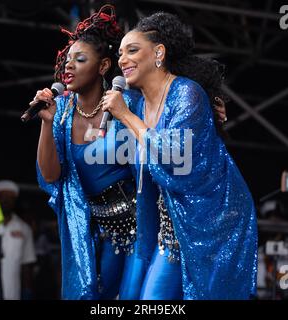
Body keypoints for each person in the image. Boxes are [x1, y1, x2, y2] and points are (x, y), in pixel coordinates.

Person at [34, 5, 227, 300]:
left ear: (102, 66)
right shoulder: (60, 112)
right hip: (90, 228)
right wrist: (46, 124)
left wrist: (207, 103)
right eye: (67, 60)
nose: (68, 66)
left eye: (80, 59)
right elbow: (50, 175)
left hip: (139, 226)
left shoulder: (128, 102)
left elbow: (167, 111)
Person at [102, 12, 258, 300]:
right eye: (121, 52)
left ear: (159, 52)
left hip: (212, 220)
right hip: (171, 226)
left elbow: (174, 154)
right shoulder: (136, 102)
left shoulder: (187, 93)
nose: (122, 59)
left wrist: (124, 116)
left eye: (132, 50)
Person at [0, 180, 37, 300]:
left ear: (14, 201)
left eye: (10, 197)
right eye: (3, 196)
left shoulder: (24, 228)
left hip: (12, 292)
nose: (6, 200)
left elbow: (27, 264)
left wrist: (27, 289)